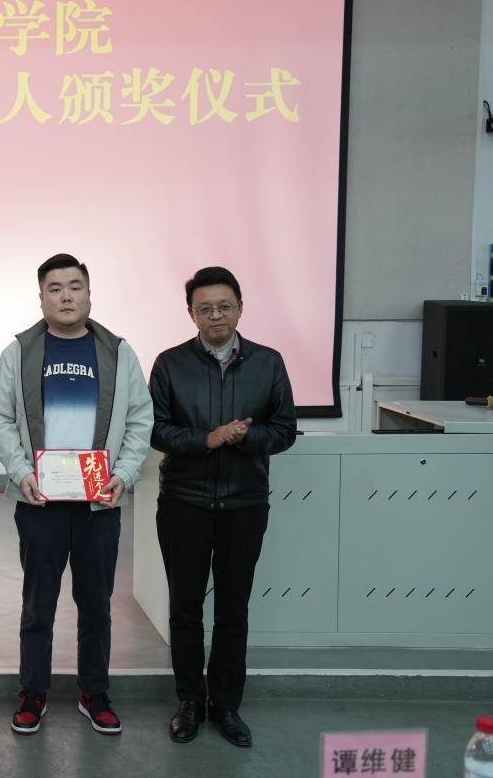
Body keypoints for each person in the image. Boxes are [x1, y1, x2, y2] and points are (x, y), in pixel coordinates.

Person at [0, 253, 153, 736]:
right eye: (55, 288)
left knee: (96, 603)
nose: (66, 296)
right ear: (41, 297)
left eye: (75, 286)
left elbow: (140, 418)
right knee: (38, 602)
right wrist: (21, 472)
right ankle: (33, 692)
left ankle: (94, 692)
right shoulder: (19, 353)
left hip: (98, 502)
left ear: (89, 293)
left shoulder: (117, 352)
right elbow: (0, 418)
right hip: (39, 501)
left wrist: (124, 474)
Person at [149, 266, 296, 748]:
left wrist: (243, 437)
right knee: (185, 608)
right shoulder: (170, 364)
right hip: (184, 503)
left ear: (240, 308)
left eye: (224, 306)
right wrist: (207, 439)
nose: (216, 315)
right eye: (205, 308)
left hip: (244, 504)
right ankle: (190, 702)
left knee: (234, 609)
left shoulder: (268, 363)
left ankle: (227, 706)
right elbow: (156, 430)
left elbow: (285, 430)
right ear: (191, 313)